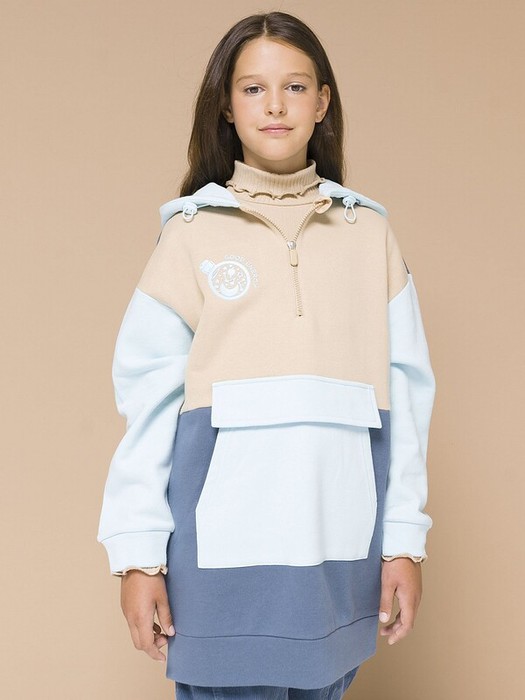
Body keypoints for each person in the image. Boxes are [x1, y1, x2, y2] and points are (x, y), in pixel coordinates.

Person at [96, 10, 436, 699]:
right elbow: (148, 403)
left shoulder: (369, 236)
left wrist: (403, 540)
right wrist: (138, 556)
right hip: (218, 558)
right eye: (253, 88)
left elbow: (406, 395)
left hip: (337, 554)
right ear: (226, 106)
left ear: (322, 101)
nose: (274, 105)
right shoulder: (190, 236)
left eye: (294, 86)